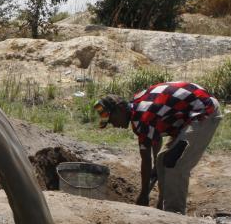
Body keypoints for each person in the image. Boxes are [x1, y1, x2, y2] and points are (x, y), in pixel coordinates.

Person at [94, 81, 222, 214]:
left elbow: (146, 160)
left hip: (203, 111)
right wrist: (157, 166)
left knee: (175, 163)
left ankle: (175, 214)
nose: (113, 125)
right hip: (189, 114)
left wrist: (144, 195)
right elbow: (155, 142)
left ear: (120, 108)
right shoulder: (138, 105)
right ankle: (163, 207)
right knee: (163, 161)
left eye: (111, 119)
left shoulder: (142, 118)